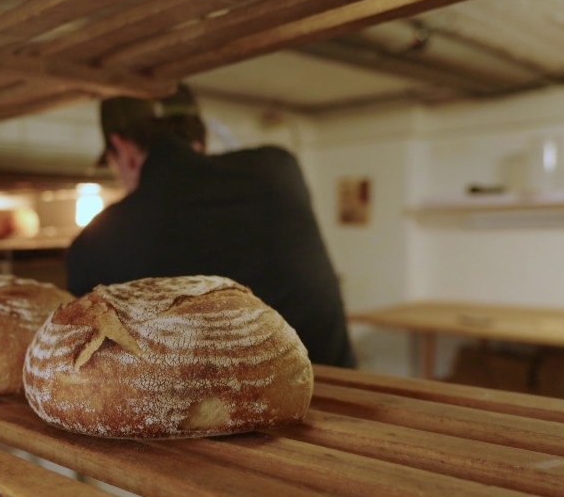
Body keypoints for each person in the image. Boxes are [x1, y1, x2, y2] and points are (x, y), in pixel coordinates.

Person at [67, 84, 356, 369]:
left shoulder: (93, 244)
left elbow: (88, 363)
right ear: (199, 135)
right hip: (344, 395)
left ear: (122, 148)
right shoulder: (278, 170)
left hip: (217, 410)